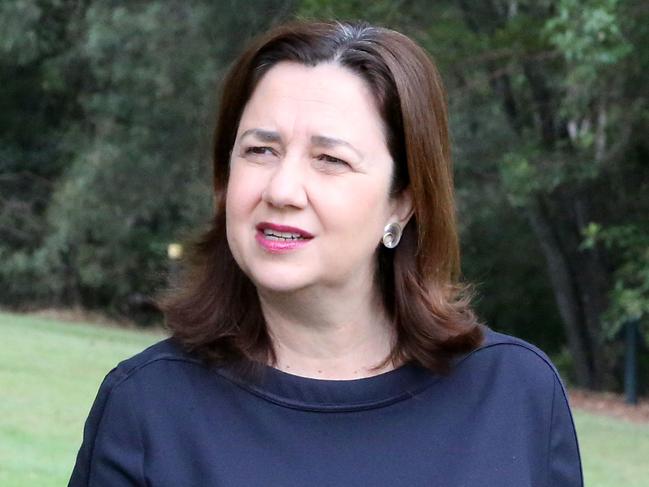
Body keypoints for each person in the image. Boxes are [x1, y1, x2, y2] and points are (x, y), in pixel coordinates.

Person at [69, 20, 583, 486]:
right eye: (260, 150)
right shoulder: (147, 407)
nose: (283, 189)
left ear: (403, 200)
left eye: (330, 159)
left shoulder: (515, 396)